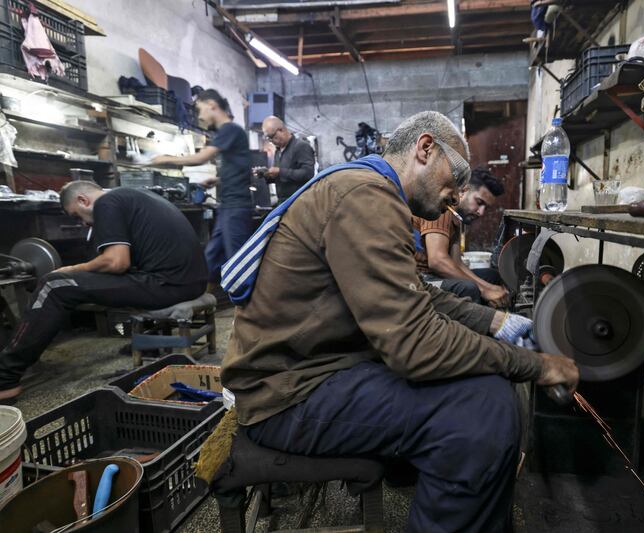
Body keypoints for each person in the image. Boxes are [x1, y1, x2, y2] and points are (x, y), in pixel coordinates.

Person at [221, 111, 579, 532]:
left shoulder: (364, 187)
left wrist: (496, 322)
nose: (458, 193)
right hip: (288, 396)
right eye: (456, 176)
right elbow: (414, 346)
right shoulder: (365, 196)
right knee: (481, 412)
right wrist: (537, 365)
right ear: (425, 148)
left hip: (313, 370)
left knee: (483, 385)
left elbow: (415, 294)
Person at [0, 181, 207, 400]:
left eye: (77, 216)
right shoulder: (131, 196)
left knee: (54, 285)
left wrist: (72, 269)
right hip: (191, 282)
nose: (83, 223)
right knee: (77, 281)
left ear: (83, 200)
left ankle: (5, 377)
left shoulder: (106, 203)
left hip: (168, 284)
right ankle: (149, 346)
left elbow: (117, 262)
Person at [152, 89, 253, 283]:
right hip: (228, 206)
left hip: (235, 206)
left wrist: (166, 159)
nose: (199, 116)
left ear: (212, 105)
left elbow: (202, 157)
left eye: (200, 110)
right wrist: (218, 180)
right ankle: (200, 297)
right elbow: (241, 168)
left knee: (239, 262)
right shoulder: (231, 133)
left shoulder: (229, 130)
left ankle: (251, 307)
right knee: (211, 258)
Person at [413, 167, 510, 307]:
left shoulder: (457, 217)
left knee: (491, 276)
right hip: (421, 278)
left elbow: (457, 263)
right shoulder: (442, 209)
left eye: (486, 208)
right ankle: (482, 325)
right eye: (479, 202)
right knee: (468, 287)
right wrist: (484, 290)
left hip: (434, 275)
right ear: (464, 191)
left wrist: (490, 288)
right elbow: (437, 261)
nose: (481, 212)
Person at [257, 116, 315, 203]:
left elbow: (308, 173)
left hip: (300, 202)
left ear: (281, 130)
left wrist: (280, 171)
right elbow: (282, 177)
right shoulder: (278, 151)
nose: (271, 141)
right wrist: (267, 175)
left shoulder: (301, 146)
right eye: (268, 138)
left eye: (271, 136)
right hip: (284, 202)